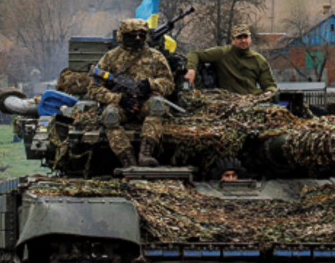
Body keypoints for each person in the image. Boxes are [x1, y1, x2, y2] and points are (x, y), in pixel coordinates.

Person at [93, 18, 175, 167]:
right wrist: (118, 99)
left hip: (146, 103)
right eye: (132, 35)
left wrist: (150, 84)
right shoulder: (110, 58)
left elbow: (169, 84)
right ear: (122, 36)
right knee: (110, 116)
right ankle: (127, 159)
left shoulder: (155, 57)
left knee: (158, 105)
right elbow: (94, 89)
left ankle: (146, 154)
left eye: (141, 34)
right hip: (121, 106)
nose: (137, 38)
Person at [184, 24, 276, 96]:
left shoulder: (259, 60)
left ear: (250, 38)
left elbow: (270, 85)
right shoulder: (222, 53)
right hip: (229, 102)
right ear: (232, 40)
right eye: (239, 37)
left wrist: (269, 92)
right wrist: (191, 69)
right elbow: (195, 54)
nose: (243, 40)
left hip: (253, 101)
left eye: (245, 37)